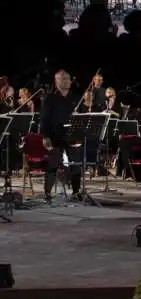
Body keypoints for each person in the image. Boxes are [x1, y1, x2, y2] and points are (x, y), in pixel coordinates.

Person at [39, 70, 81, 202]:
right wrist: (45, 136)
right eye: (62, 79)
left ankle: (76, 192)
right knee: (52, 164)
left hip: (71, 135)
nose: (66, 81)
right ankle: (47, 194)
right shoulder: (50, 98)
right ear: (56, 82)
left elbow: (80, 117)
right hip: (54, 135)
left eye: (67, 78)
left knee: (76, 164)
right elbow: (44, 118)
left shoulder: (74, 98)